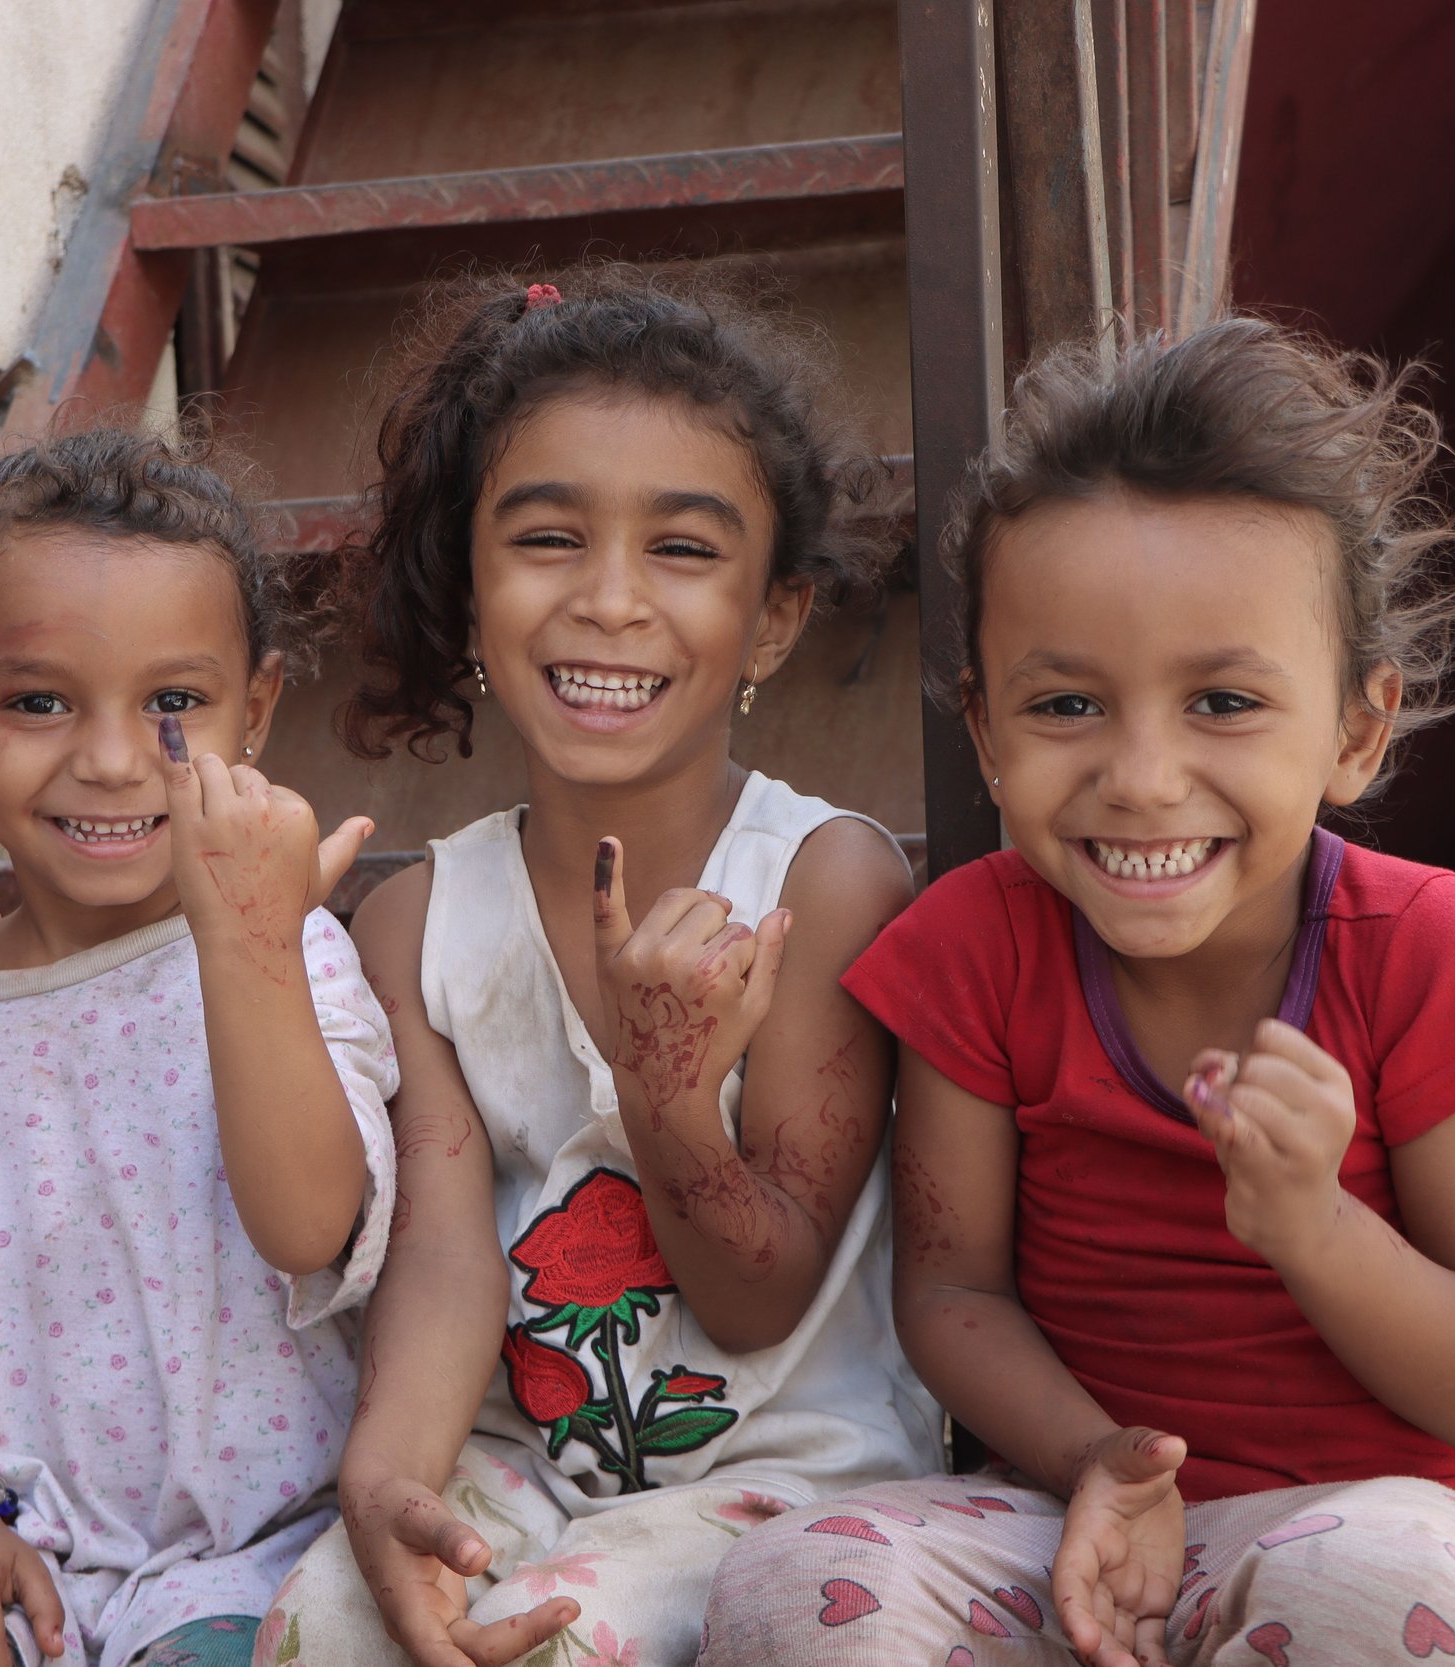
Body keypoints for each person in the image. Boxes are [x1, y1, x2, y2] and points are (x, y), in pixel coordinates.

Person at [698, 318, 1455, 1667]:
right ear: (987, 730)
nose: (1143, 776)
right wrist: (1100, 1461)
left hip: (1365, 1524)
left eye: (1224, 701)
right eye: (1067, 708)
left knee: (1374, 1604)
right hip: (1069, 1507)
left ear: (1355, 730)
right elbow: (952, 1291)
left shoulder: (1432, 957)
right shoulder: (977, 947)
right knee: (794, 1583)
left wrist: (1312, 1223)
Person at [251, 270, 943, 1667]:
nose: (610, 600)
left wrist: (670, 1088)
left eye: (683, 551)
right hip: (522, 1467)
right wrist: (385, 1475)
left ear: (775, 618)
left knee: (564, 1642)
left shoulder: (824, 886)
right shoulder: (423, 918)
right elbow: (444, 1255)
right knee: (324, 1619)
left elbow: (760, 1297)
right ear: (470, 584)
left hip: (795, 1481)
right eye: (549, 538)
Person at [0, 428, 399, 1667]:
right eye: (37, 700)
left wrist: (247, 948)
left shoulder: (283, 947)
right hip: (22, 1557)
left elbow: (314, 1229)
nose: (105, 759)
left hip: (266, 1557)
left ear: (251, 710)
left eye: (171, 704)